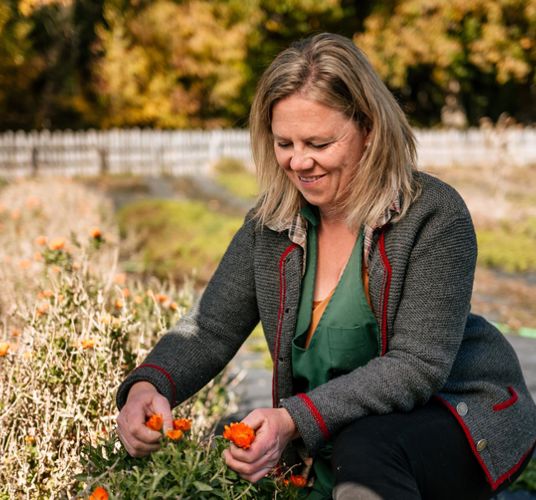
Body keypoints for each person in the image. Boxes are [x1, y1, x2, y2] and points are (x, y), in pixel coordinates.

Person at [116, 33, 536, 499]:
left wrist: (293, 419)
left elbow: (417, 367)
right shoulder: (272, 226)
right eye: (284, 143)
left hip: (454, 415)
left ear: (369, 129)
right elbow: (211, 328)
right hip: (335, 427)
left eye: (318, 142)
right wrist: (149, 385)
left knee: (367, 449)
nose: (299, 162)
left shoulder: (432, 215)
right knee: (226, 450)